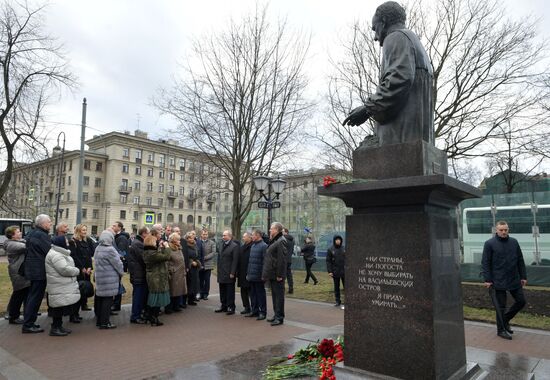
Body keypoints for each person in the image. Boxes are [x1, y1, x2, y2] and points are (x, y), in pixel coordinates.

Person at [342, 1, 434, 147]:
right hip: (414, 140)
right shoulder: (414, 42)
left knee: (365, 151)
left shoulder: (396, 37)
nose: (375, 38)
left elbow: (399, 79)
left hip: (399, 140)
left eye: (375, 29)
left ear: (383, 22)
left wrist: (367, 109)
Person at [482, 220, 527, 340]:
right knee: (501, 306)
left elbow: (520, 260)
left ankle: (505, 319)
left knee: (521, 301)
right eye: (501, 230)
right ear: (496, 230)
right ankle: (501, 330)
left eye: (505, 230)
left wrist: (523, 276)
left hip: (514, 278)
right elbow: (485, 263)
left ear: (508, 230)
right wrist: (488, 280)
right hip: (498, 280)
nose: (503, 232)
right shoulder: (489, 244)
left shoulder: (514, 242)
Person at [22, 214, 53, 334]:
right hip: (38, 270)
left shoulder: (32, 233)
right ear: (43, 224)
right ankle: (28, 324)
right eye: (49, 222)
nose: (50, 224)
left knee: (31, 296)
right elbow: (49, 251)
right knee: (35, 297)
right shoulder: (41, 235)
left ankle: (29, 322)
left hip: (32, 269)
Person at [45, 236, 80, 336]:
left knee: (59, 306)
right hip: (58, 284)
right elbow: (64, 269)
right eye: (65, 241)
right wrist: (76, 270)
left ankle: (58, 326)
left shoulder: (58, 253)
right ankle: (55, 328)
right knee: (57, 307)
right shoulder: (56, 255)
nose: (67, 242)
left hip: (60, 284)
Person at [94, 230, 124, 329]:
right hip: (109, 279)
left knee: (100, 299)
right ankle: (105, 322)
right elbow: (118, 264)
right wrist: (121, 272)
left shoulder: (98, 248)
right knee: (107, 301)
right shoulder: (110, 249)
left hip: (100, 277)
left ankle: (99, 321)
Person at [68, 224, 95, 323]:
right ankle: (73, 314)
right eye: (83, 230)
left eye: (85, 230)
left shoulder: (87, 241)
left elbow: (89, 255)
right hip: (78, 271)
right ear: (78, 231)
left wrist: (89, 267)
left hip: (86, 271)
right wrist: (81, 268)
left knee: (84, 292)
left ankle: (78, 312)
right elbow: (74, 257)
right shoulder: (73, 242)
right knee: (77, 293)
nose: (85, 232)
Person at [143, 234, 171, 326]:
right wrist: (167, 247)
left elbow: (160, 256)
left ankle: (150, 316)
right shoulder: (152, 253)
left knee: (155, 298)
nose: (157, 242)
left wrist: (160, 247)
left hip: (155, 277)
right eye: (155, 241)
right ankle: (153, 318)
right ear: (151, 242)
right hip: (156, 278)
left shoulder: (149, 252)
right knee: (156, 299)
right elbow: (166, 257)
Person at [4, 226, 30, 325]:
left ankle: (20, 313)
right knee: (18, 294)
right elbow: (27, 247)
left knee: (23, 293)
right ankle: (13, 316)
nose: (20, 233)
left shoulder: (19, 241)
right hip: (17, 272)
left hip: (21, 271)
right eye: (18, 232)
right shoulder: (12, 245)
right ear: (12, 235)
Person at [263, 222, 287, 326]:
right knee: (274, 295)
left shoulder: (281, 241)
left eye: (271, 229)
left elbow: (282, 260)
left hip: (277, 274)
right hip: (272, 273)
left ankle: (279, 317)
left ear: (276, 230)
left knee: (279, 296)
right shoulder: (275, 240)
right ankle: (276, 315)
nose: (269, 230)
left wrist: (280, 275)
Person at [127, 226, 149, 324]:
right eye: (148, 233)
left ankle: (138, 314)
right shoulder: (139, 244)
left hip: (138, 274)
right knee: (138, 297)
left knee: (140, 296)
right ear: (144, 233)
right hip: (138, 275)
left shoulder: (137, 243)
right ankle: (135, 316)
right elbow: (144, 259)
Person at [215, 230, 239, 315]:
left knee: (230, 291)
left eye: (224, 235)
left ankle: (230, 307)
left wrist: (233, 272)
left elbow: (235, 261)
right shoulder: (221, 244)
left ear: (229, 236)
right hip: (221, 272)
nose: (223, 237)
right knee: (222, 290)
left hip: (229, 273)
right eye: (222, 235)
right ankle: (223, 305)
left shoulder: (234, 246)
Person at [246, 229, 268, 320]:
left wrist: (263, 275)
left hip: (259, 276)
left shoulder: (264, 246)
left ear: (258, 235)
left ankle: (262, 312)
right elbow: (250, 262)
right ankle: (254, 311)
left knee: (260, 294)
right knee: (253, 294)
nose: (252, 236)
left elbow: (265, 262)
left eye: (253, 235)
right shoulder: (253, 246)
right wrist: (248, 273)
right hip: (251, 275)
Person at [165, 232, 187, 313]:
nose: (180, 241)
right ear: (173, 241)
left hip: (181, 273)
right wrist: (171, 270)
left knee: (179, 290)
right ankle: (169, 307)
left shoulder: (179, 248)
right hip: (173, 273)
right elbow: (166, 261)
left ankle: (176, 306)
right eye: (178, 240)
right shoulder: (169, 249)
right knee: (172, 290)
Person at [112, 221, 130, 311]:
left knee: (117, 283)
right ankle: (115, 304)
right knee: (116, 283)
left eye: (114, 226)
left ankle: (116, 305)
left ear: (120, 228)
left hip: (119, 264)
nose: (112, 227)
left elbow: (121, 252)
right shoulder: (118, 237)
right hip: (118, 264)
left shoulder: (121, 238)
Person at [182, 231, 201, 306]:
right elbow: (185, 256)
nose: (192, 239)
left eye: (192, 238)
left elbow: (197, 255)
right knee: (188, 283)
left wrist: (197, 262)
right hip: (188, 267)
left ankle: (191, 299)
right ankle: (185, 300)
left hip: (195, 267)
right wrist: (191, 262)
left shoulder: (195, 245)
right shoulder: (185, 246)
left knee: (194, 283)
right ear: (187, 238)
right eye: (190, 238)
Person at [327, 235, 345, 307]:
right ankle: (338, 301)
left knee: (346, 287)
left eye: (339, 240)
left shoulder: (344, 248)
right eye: (337, 240)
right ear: (334, 240)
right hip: (335, 271)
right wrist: (330, 271)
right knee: (336, 287)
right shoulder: (330, 249)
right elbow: (328, 261)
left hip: (344, 271)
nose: (338, 241)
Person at [199, 229, 216, 300]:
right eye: (203, 234)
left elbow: (213, 252)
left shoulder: (212, 243)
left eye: (206, 234)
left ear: (207, 235)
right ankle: (200, 293)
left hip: (208, 264)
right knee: (200, 280)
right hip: (199, 264)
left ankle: (206, 293)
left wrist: (204, 258)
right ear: (201, 234)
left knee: (207, 280)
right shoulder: (198, 242)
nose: (205, 236)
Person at [237, 232, 252, 315]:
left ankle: (253, 307)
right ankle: (246, 307)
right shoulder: (242, 247)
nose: (243, 238)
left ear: (249, 238)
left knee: (250, 291)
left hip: (249, 272)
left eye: (244, 237)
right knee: (243, 291)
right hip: (242, 273)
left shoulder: (252, 247)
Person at [283, 228, 295, 294]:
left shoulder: (283, 240)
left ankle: (282, 289)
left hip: (284, 259)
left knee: (282, 275)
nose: (282, 233)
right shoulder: (292, 241)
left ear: (286, 232)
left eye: (283, 231)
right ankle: (291, 288)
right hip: (289, 259)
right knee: (289, 275)